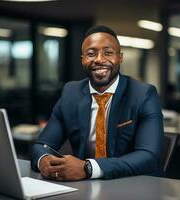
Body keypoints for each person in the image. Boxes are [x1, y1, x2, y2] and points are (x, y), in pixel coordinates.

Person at [30, 25, 164, 181]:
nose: (99, 59)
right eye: (91, 53)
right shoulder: (70, 93)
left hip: (135, 185)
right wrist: (43, 160)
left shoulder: (143, 94)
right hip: (84, 188)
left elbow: (149, 156)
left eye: (108, 52)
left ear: (120, 57)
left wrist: (88, 168)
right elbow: (41, 146)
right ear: (83, 60)